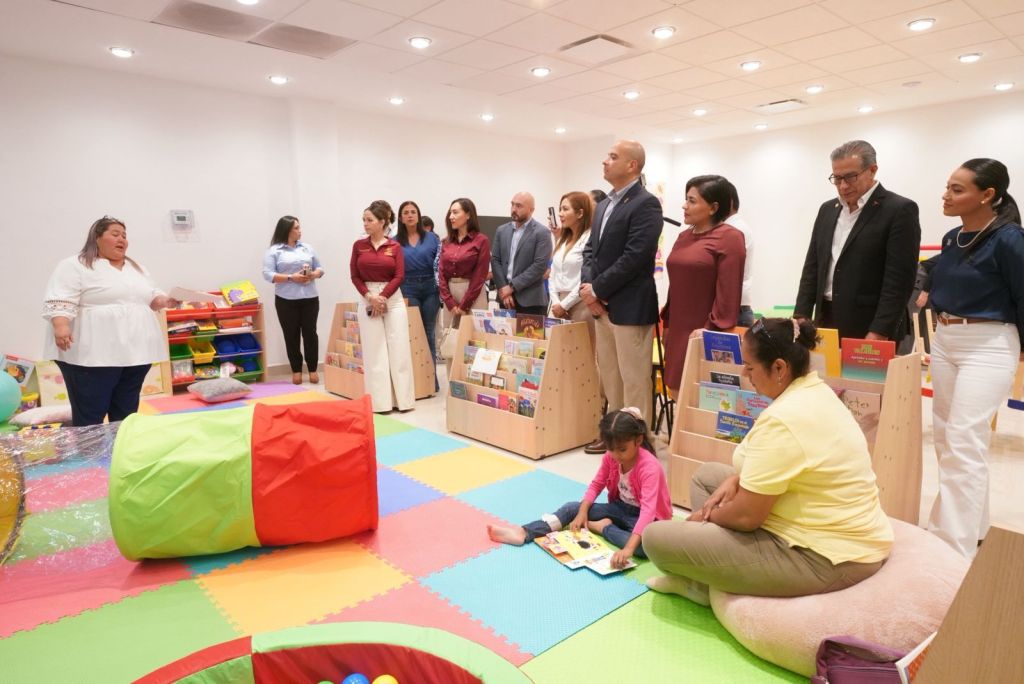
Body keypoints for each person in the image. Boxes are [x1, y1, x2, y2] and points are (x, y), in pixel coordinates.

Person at [643, 318, 893, 605]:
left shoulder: (785, 419)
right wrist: (735, 480)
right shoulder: (812, 390)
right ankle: (713, 571)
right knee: (707, 477)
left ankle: (705, 584)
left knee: (655, 538)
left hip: (828, 556)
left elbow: (747, 517)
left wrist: (704, 518)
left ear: (779, 368)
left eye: (749, 367)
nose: (743, 373)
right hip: (818, 525)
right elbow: (784, 463)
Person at [925, 158, 1023, 558]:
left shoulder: (1011, 239)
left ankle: (950, 547)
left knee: (965, 439)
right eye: (947, 187)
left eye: (957, 189)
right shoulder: (952, 238)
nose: (946, 196)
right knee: (950, 439)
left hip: (990, 343)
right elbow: (934, 272)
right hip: (947, 339)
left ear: (988, 195)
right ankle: (973, 527)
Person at [487, 408, 672, 568]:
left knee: (642, 547)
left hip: (647, 518)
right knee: (572, 508)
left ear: (638, 441)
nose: (616, 455)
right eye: (611, 449)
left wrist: (628, 549)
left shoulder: (649, 467)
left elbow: (648, 511)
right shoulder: (611, 457)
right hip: (620, 508)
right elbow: (596, 484)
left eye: (622, 450)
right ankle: (524, 532)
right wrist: (583, 512)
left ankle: (602, 527)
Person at [42, 216, 177, 426]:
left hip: (136, 352)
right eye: (115, 234)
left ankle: (121, 449)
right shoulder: (75, 265)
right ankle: (90, 454)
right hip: (92, 355)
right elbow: (60, 297)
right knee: (90, 410)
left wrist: (168, 300)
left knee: (126, 408)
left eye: (124, 235)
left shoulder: (136, 267)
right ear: (96, 238)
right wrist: (61, 326)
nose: (122, 239)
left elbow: (151, 296)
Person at [581, 140, 663, 453]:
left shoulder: (646, 203)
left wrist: (598, 289)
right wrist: (589, 291)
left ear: (632, 165)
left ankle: (639, 443)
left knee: (634, 379)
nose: (605, 161)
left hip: (630, 305)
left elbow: (636, 256)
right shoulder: (602, 205)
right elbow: (590, 250)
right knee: (610, 377)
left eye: (612, 157)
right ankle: (614, 434)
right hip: (601, 307)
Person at [795, 140, 921, 341]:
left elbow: (899, 281)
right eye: (837, 178)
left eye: (850, 177)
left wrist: (880, 330)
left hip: (871, 323)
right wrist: (801, 315)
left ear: (872, 170)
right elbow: (813, 266)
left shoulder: (898, 210)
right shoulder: (827, 210)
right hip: (825, 319)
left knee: (863, 374)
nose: (843, 186)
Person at [662, 175, 746, 395]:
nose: (684, 205)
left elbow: (729, 291)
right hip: (678, 328)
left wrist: (712, 329)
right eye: (686, 199)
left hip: (705, 330)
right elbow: (676, 284)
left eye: (692, 200)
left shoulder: (730, 237)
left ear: (713, 207)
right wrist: (668, 324)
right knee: (675, 392)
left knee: (704, 398)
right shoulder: (683, 237)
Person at [350, 200, 415, 413]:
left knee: (399, 349)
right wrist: (370, 297)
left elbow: (399, 275)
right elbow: (355, 276)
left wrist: (383, 297)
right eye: (364, 220)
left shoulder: (394, 246)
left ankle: (403, 401)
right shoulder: (358, 246)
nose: (365, 224)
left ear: (382, 222)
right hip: (368, 298)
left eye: (369, 220)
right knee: (374, 350)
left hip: (393, 299)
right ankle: (380, 403)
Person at [262, 215, 325, 385]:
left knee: (311, 334)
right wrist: (291, 277)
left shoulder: (307, 248)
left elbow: (320, 268)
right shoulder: (274, 251)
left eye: (299, 227)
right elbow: (268, 275)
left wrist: (314, 274)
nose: (300, 231)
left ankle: (312, 369)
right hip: (286, 300)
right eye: (296, 228)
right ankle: (296, 370)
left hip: (310, 298)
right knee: (291, 335)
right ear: (287, 230)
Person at [396, 200, 441, 389]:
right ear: (400, 218)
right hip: (408, 288)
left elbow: (440, 265)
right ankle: (415, 381)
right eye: (405, 212)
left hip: (431, 288)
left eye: (413, 211)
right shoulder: (394, 241)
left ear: (419, 215)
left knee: (429, 333)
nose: (410, 215)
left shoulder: (432, 238)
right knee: (413, 334)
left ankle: (431, 381)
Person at [491, 192, 553, 315]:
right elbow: (495, 260)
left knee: (529, 335)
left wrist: (511, 287)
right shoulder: (501, 230)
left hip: (531, 302)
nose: (514, 209)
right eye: (512, 204)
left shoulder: (542, 232)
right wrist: (503, 288)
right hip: (505, 298)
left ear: (531, 209)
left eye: (519, 206)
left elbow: (539, 266)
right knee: (504, 335)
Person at [439, 198, 490, 335]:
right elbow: (441, 273)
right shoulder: (446, 242)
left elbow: (480, 275)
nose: (451, 217)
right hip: (451, 294)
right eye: (450, 213)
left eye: (455, 212)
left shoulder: (481, 241)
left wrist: (464, 305)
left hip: (474, 294)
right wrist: (449, 302)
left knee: (474, 339)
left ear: (468, 215)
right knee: (450, 340)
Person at [549, 192, 596, 341]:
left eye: (565, 209)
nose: (560, 214)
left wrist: (565, 304)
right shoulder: (562, 240)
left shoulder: (590, 238)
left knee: (582, 356)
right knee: (559, 356)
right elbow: (552, 275)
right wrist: (557, 302)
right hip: (557, 305)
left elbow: (586, 277)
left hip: (580, 303)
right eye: (560, 210)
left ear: (580, 213)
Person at [724, 182, 756, 327]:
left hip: (734, 310)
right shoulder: (733, 227)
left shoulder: (733, 230)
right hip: (737, 308)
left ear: (729, 203)